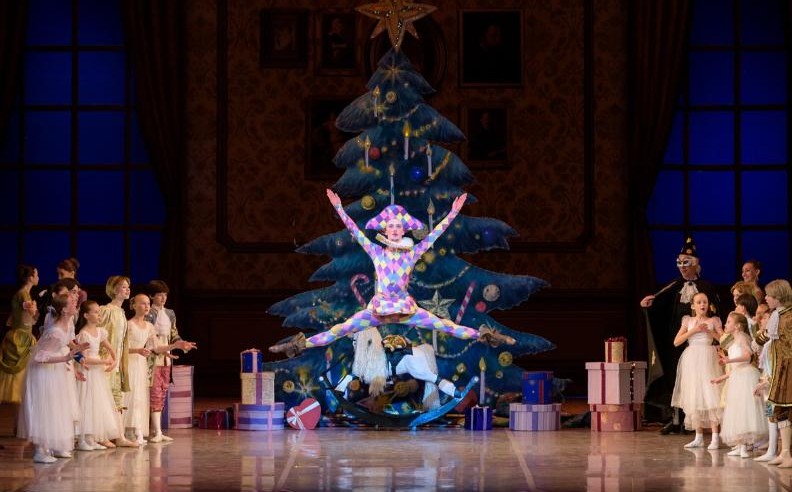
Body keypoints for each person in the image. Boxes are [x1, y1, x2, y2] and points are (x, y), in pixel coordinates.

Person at [270, 190, 514, 357]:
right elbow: (356, 232)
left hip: (406, 310)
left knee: (447, 326)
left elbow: (434, 235)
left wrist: (452, 213)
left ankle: (491, 336)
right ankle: (296, 345)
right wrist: (339, 209)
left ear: (404, 229)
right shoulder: (376, 252)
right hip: (379, 310)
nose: (395, 230)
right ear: (385, 230)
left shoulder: (412, 253)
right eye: (391, 226)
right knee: (339, 330)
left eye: (399, 226)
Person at [640, 236, 720, 433]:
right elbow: (659, 308)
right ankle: (676, 419)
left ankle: (697, 421)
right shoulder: (673, 286)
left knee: (701, 380)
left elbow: (715, 313)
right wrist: (648, 307)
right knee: (677, 378)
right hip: (677, 341)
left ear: (695, 264)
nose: (682, 267)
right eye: (680, 263)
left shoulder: (706, 287)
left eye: (686, 263)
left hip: (701, 343)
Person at [17, 293, 87, 463]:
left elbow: (67, 345)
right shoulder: (55, 332)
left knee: (57, 407)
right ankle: (40, 450)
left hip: (56, 369)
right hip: (44, 372)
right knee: (46, 407)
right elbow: (39, 357)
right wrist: (65, 357)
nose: (75, 303)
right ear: (63, 309)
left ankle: (53, 445)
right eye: (72, 302)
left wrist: (75, 355)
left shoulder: (69, 323)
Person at [125, 294, 194, 445]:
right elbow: (122, 348)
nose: (146, 306)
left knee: (141, 397)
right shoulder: (128, 324)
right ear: (134, 305)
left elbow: (156, 347)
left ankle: (138, 430)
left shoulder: (149, 327)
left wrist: (175, 345)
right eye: (143, 303)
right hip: (131, 362)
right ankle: (128, 430)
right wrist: (137, 350)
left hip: (141, 364)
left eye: (147, 304)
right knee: (131, 396)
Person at [144, 280, 196, 443]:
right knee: (154, 393)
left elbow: (174, 334)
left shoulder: (170, 313)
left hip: (167, 359)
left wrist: (182, 344)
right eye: (159, 295)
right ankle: (155, 431)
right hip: (153, 358)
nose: (163, 298)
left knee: (163, 391)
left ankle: (157, 430)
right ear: (152, 296)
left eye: (165, 295)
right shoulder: (148, 313)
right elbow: (147, 338)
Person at [670, 292, 724, 449]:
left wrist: (709, 332)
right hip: (692, 359)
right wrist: (694, 330)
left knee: (710, 395)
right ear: (693, 306)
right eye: (699, 302)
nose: (702, 305)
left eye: (705, 302)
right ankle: (698, 436)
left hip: (708, 359)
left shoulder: (714, 320)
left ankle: (715, 437)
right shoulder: (688, 321)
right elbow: (676, 341)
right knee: (694, 396)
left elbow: (724, 339)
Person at [711, 312, 768, 458]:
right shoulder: (734, 340)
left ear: (737, 326)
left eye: (729, 322)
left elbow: (747, 357)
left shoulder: (742, 337)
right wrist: (721, 377)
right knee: (737, 410)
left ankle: (744, 447)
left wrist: (728, 360)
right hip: (737, 376)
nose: (726, 324)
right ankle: (740, 444)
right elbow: (736, 367)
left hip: (746, 377)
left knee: (744, 410)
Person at [75, 300, 120, 451]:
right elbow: (84, 359)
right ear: (86, 315)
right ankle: (83, 438)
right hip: (88, 371)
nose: (99, 315)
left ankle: (92, 437)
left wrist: (114, 360)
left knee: (97, 403)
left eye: (99, 312)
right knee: (86, 402)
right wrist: (104, 361)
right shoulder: (83, 334)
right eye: (95, 312)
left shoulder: (100, 332)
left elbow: (111, 348)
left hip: (97, 374)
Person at [99, 275, 137, 448]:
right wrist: (105, 358)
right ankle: (102, 435)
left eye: (128, 286)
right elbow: (99, 335)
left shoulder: (121, 312)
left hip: (117, 363)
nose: (127, 289)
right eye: (123, 286)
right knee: (104, 398)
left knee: (116, 399)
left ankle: (119, 436)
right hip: (106, 362)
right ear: (114, 289)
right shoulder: (106, 310)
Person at [0, 265, 39, 409]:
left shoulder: (25, 294)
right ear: (30, 278)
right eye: (36, 275)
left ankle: (21, 418)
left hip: (25, 336)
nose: (38, 278)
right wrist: (36, 307)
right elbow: (32, 313)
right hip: (21, 338)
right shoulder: (23, 295)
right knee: (20, 379)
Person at [764, 280, 792, 467]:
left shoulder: (789, 317)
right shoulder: (777, 315)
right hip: (779, 368)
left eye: (769, 295)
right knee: (780, 410)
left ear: (778, 297)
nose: (766, 298)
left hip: (788, 368)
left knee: (787, 409)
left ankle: (788, 453)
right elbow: (767, 335)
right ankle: (784, 452)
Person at [753, 302, 777, 462]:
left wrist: (764, 382)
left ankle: (773, 449)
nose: (762, 320)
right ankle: (771, 448)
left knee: (773, 415)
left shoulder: (771, 344)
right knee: (770, 415)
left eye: (766, 318)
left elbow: (772, 366)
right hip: (767, 381)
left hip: (772, 382)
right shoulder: (767, 343)